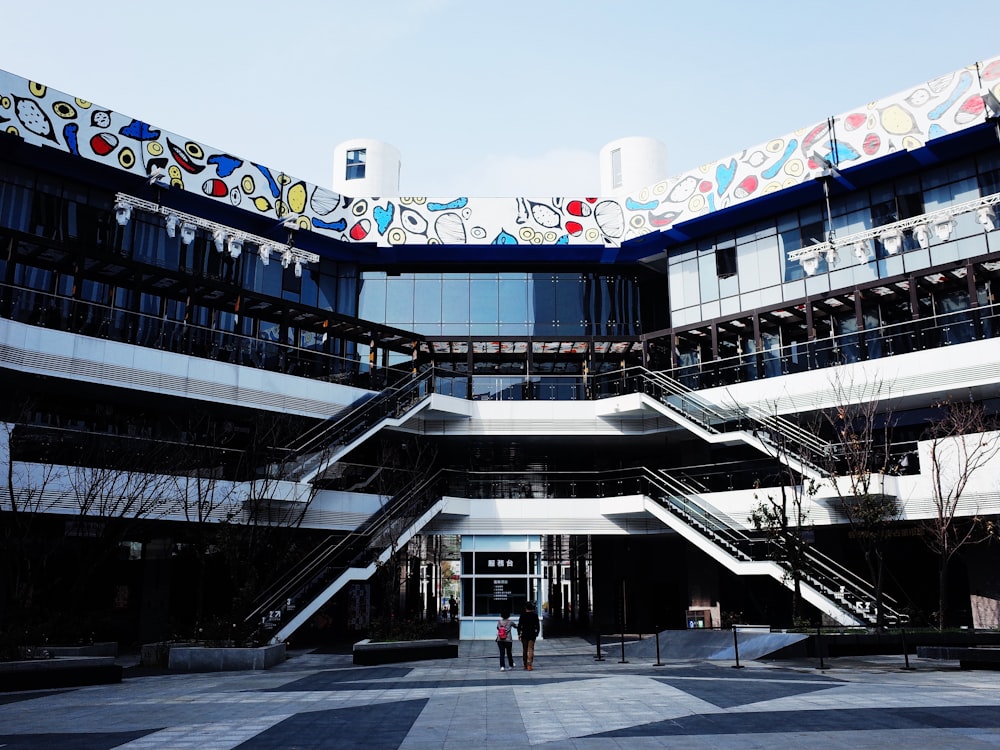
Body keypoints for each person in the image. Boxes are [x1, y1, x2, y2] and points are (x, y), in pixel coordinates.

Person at [515, 601, 540, 670]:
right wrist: (537, 633)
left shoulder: (522, 615)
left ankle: (525, 664)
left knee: (524, 649)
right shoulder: (535, 615)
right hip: (532, 634)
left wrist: (519, 634)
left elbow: (519, 626)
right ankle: (530, 664)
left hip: (524, 634)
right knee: (531, 649)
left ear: (525, 608)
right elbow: (537, 625)